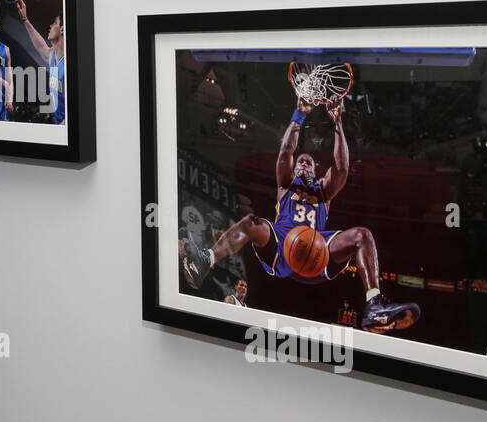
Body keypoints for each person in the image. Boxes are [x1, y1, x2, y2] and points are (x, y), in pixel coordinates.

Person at [179, 88, 420, 333]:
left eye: (309, 162)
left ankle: (374, 305)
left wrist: (337, 122)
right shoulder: (285, 185)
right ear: (294, 168)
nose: (304, 163)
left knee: (362, 235)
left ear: (315, 171)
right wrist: (299, 114)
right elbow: (286, 151)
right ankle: (204, 261)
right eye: (301, 161)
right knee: (252, 223)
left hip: (319, 252)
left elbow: (342, 167)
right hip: (283, 246)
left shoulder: (324, 191)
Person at [14, 0, 64, 125]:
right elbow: (41, 46)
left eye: (54, 23)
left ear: (62, 29)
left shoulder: (69, 65)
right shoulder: (53, 57)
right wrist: (25, 20)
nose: (50, 26)